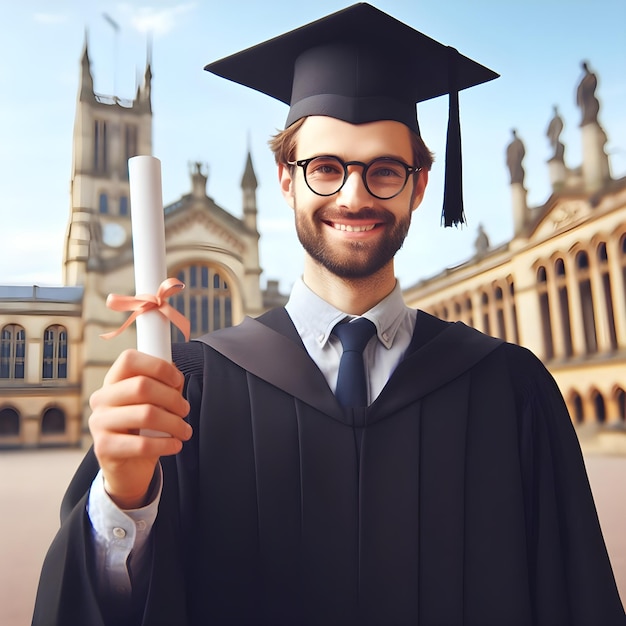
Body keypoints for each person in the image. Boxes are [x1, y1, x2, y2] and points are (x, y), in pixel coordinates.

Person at [33, 4, 625, 625]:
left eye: (385, 171)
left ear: (421, 185)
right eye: (324, 168)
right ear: (286, 180)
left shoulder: (511, 390)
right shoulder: (185, 391)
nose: (354, 195)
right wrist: (124, 500)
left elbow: (572, 595)